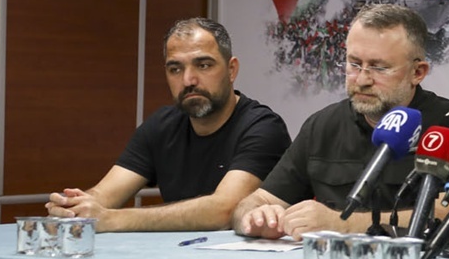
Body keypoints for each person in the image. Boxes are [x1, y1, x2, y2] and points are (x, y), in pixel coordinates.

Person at [233, 4, 449, 239]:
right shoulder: (322, 126)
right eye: (354, 64)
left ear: (417, 73)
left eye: (379, 68)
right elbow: (257, 201)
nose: (362, 80)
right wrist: (255, 217)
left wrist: (342, 224)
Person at [46, 18, 290, 232]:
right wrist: (75, 207)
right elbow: (105, 194)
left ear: (231, 70)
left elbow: (224, 210)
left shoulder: (263, 127)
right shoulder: (161, 126)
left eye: (203, 65)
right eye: (175, 69)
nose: (188, 80)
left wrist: (111, 219)